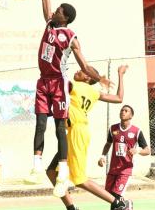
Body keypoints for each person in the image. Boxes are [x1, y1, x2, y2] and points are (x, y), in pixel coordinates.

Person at [27, 0, 113, 198]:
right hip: (43, 81)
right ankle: (38, 163)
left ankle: (63, 170)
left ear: (64, 17)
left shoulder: (71, 36)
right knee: (40, 124)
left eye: (59, 10)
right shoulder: (48, 24)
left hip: (59, 83)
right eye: (56, 9)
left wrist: (99, 77)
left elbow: (84, 66)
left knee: (58, 128)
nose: (54, 10)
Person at [47, 65, 132, 209]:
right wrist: (121, 75)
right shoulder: (93, 92)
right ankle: (71, 208)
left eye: (81, 70)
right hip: (76, 133)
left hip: (77, 133)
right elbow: (119, 98)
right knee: (51, 172)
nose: (77, 70)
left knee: (80, 180)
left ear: (87, 77)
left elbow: (55, 80)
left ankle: (119, 204)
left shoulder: (75, 85)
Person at [98, 105, 151, 203]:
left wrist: (137, 150)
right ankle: (125, 206)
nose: (123, 112)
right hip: (113, 168)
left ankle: (125, 206)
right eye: (122, 110)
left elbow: (147, 150)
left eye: (126, 111)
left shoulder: (136, 131)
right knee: (109, 196)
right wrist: (102, 156)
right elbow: (108, 144)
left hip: (125, 169)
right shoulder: (113, 129)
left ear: (131, 116)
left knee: (116, 195)